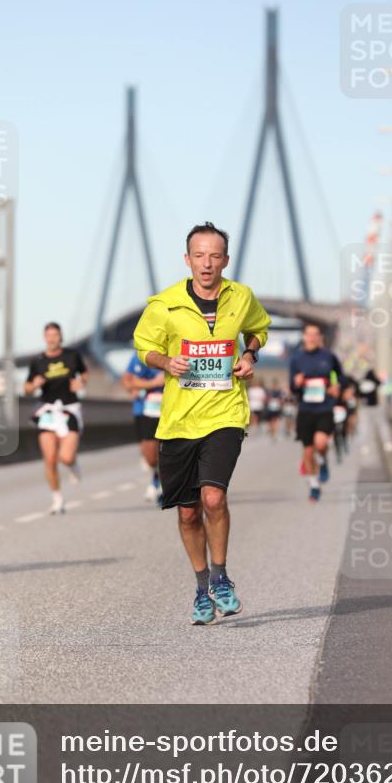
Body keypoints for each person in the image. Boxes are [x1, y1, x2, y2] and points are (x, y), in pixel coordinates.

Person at [133, 221, 270, 625]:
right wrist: (165, 361)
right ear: (187, 259)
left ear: (225, 260)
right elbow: (145, 347)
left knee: (213, 498)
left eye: (215, 256)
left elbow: (259, 329)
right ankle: (200, 588)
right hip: (178, 420)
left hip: (225, 412)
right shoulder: (164, 304)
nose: (207, 263)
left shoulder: (241, 297)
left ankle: (222, 578)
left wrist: (250, 356)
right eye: (199, 255)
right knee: (189, 512)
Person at [25, 322, 88, 514]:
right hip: (48, 411)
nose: (52, 338)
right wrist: (34, 385)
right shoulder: (38, 361)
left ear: (61, 337)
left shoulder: (72, 355)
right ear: (45, 338)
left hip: (69, 409)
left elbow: (84, 374)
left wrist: (81, 382)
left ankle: (72, 464)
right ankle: (57, 499)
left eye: (55, 335)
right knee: (50, 459)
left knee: (66, 457)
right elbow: (26, 389)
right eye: (48, 335)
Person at [289, 322, 343, 503]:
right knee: (308, 450)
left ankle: (323, 459)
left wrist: (337, 386)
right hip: (305, 409)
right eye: (309, 334)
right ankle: (314, 485)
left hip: (324, 407)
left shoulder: (329, 357)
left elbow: (340, 376)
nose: (312, 337)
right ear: (304, 337)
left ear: (320, 337)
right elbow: (292, 387)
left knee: (320, 443)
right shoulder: (296, 359)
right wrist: (296, 383)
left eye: (315, 334)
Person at [121, 352, 165, 503]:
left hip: (171, 409)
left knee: (165, 450)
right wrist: (155, 383)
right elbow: (129, 380)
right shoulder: (141, 354)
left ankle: (161, 487)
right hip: (146, 409)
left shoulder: (177, 348)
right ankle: (155, 478)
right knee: (150, 457)